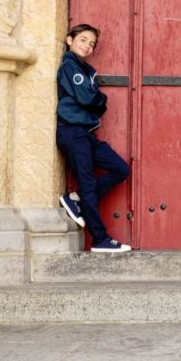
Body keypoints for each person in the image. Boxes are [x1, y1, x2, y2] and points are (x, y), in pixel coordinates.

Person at [56, 23, 132, 253]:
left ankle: (75, 199)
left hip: (87, 134)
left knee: (120, 169)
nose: (87, 46)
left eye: (91, 44)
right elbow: (89, 100)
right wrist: (99, 98)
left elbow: (94, 102)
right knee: (89, 184)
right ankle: (100, 239)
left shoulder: (85, 70)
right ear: (70, 40)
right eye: (83, 40)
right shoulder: (69, 67)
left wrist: (97, 99)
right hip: (73, 131)